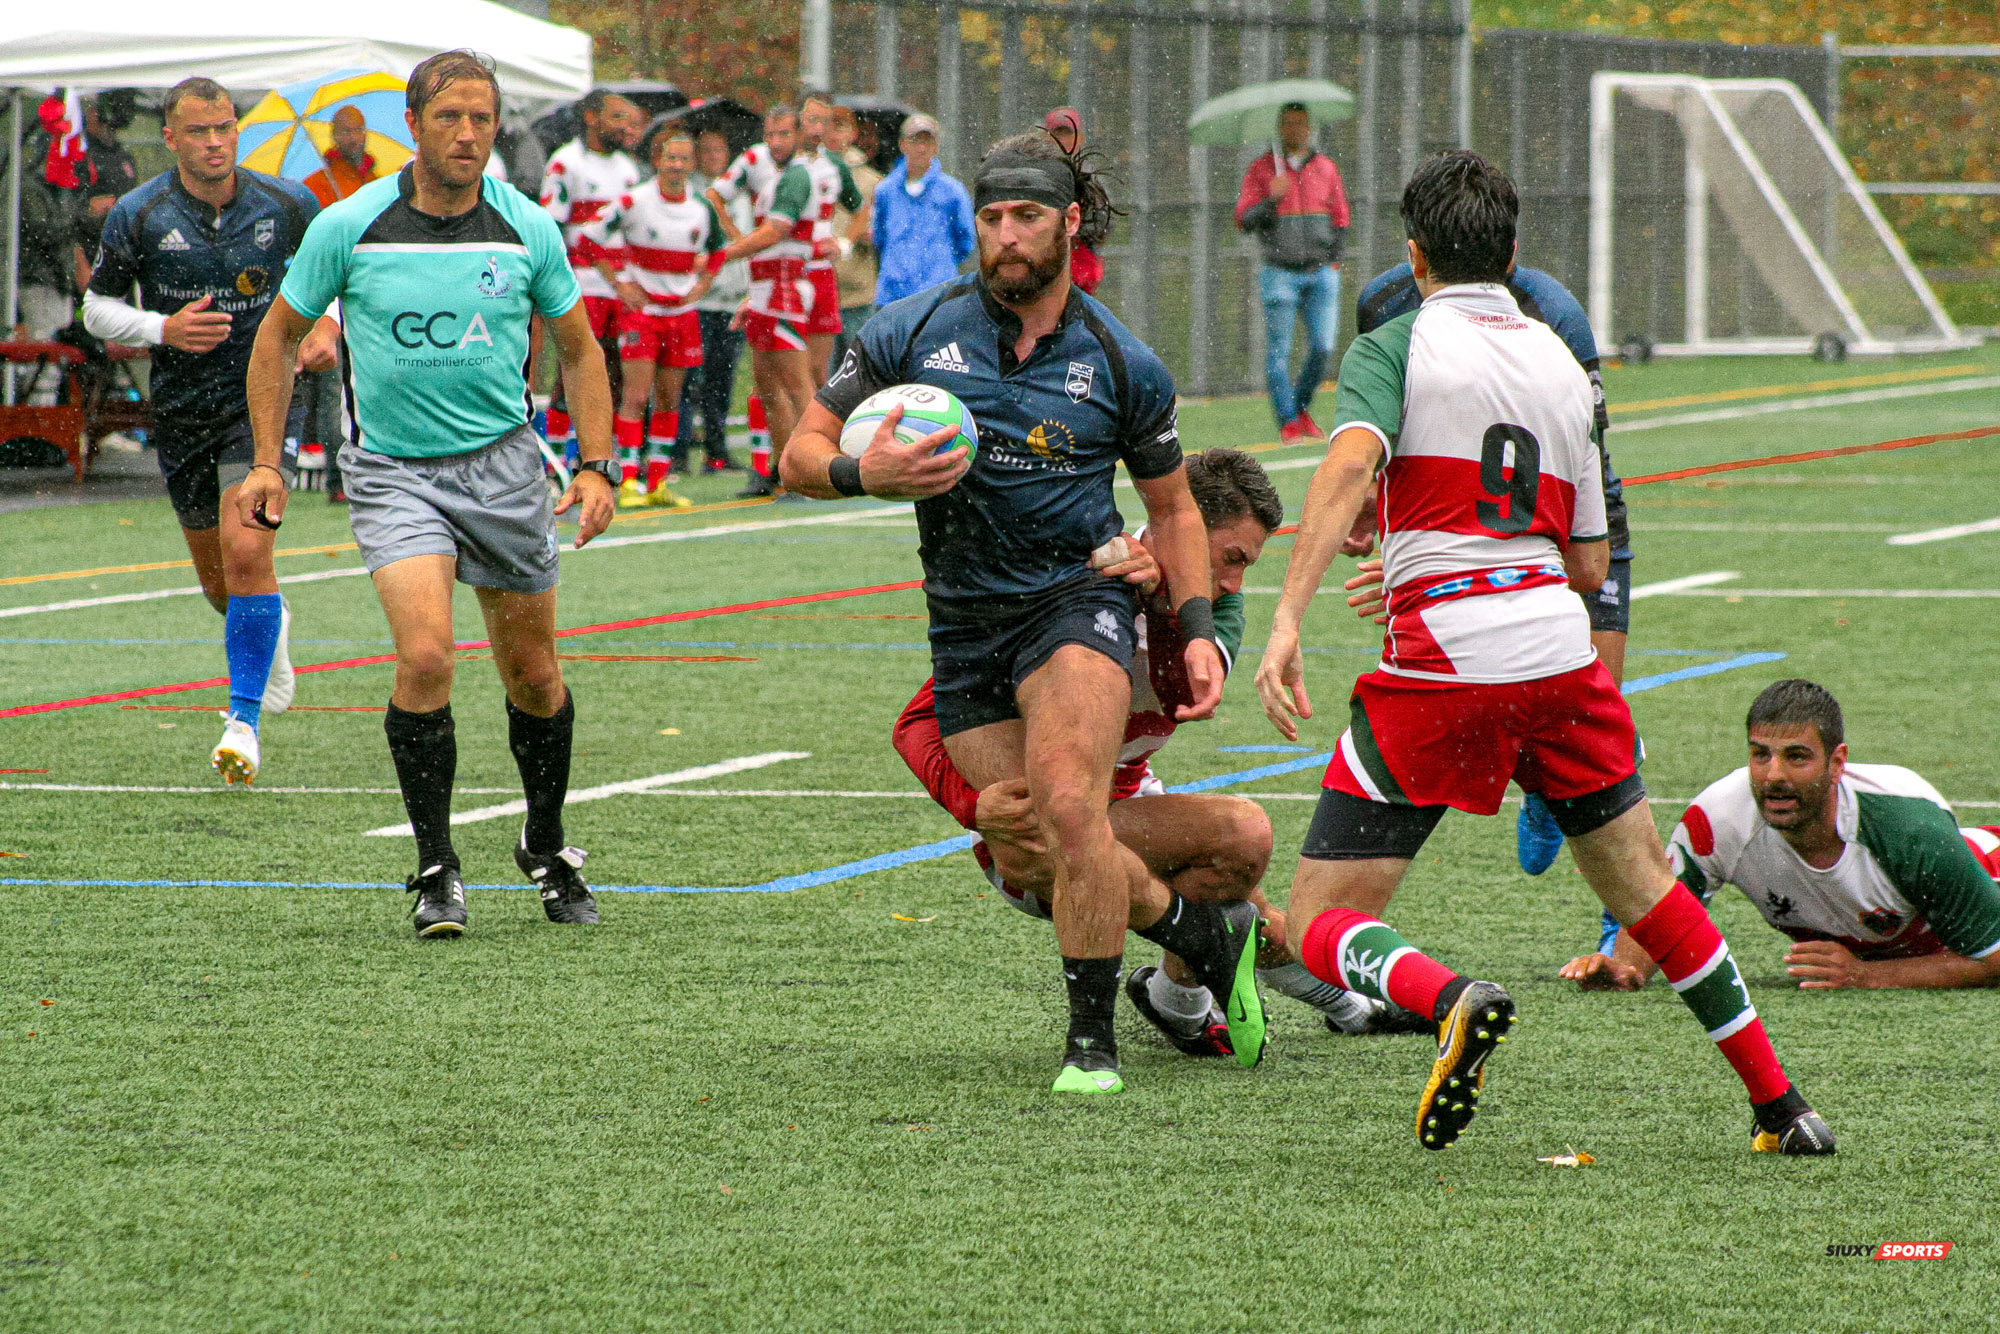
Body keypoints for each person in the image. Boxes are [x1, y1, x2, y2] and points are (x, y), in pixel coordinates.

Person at [1252, 149, 1833, 1155]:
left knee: (1315, 919)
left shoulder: (1394, 345)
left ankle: (1450, 999)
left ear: (1413, 253)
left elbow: (1349, 461)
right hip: (1560, 657)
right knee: (1643, 887)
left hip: (1441, 660)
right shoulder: (1564, 367)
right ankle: (1781, 1105)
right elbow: (1588, 556)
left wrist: (1287, 616)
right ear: (1513, 253)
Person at [784, 130, 1263, 1096]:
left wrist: (1202, 630)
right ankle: (1190, 930)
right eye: (993, 218)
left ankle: (1091, 1046)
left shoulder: (1122, 362)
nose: (1007, 237)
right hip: (963, 627)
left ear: (1069, 223)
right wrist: (861, 473)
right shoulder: (909, 332)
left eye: (1027, 217)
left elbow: (1172, 509)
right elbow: (799, 454)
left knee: (1069, 802)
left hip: (1073, 603)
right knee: (1025, 844)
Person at [241, 49, 618, 939]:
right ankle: (437, 867)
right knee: (426, 658)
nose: (467, 134)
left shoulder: (525, 225)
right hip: (394, 475)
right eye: (449, 117)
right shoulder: (349, 224)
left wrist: (597, 465)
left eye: (482, 118)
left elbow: (581, 351)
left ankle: (546, 841)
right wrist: (267, 459)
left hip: (506, 470)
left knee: (534, 675)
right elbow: (276, 339)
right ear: (411, 125)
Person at [893, 449, 1431, 1053]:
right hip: (1033, 843)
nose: (1233, 582)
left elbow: (1188, 692)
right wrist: (976, 805)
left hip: (1129, 808)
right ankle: (1225, 960)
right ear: (1186, 525)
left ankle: (1193, 1000)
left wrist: (1167, 607)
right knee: (1228, 868)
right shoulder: (1083, 575)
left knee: (1244, 873)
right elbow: (918, 719)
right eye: (1231, 558)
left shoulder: (1218, 609)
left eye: (1246, 565)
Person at [81, 76, 334, 786]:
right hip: (183, 409)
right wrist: (163, 327)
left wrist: (328, 324)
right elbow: (97, 310)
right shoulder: (138, 214)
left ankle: (242, 722)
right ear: (170, 138)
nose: (216, 142)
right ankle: (269, 624)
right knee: (225, 586)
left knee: (248, 548)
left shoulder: (288, 203)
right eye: (199, 131)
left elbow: (339, 271)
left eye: (225, 128)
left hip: (263, 406)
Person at [1354, 258, 1636, 876]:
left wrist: (1487, 557)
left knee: (1607, 738)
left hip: (1566, 519)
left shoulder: (1554, 312)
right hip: (1457, 530)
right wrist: (1396, 536)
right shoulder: (1384, 306)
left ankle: (1617, 927)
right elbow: (1383, 440)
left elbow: (1590, 451)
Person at [1563, 680, 2000, 993]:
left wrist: (1867, 976)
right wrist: (1626, 969)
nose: (1774, 776)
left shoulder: (1910, 828)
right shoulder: (1720, 818)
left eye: (1796, 758)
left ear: (1836, 762)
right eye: (1760, 755)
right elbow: (1661, 906)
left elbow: (1994, 961)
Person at [586, 126, 720, 506]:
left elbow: (720, 251)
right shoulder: (634, 201)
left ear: (691, 164)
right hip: (642, 315)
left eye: (683, 159)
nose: (676, 166)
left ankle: (657, 482)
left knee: (668, 399)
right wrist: (619, 285)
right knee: (635, 396)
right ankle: (628, 478)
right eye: (670, 158)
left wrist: (703, 285)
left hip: (681, 316)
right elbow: (589, 238)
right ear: (657, 161)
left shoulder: (702, 207)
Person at [706, 104, 819, 499]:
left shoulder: (798, 177)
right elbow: (718, 199)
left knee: (797, 385)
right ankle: (787, 468)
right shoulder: (774, 176)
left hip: (785, 287)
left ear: (799, 135)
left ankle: (813, 470)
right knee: (767, 387)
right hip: (764, 288)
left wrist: (727, 252)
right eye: (770, 134)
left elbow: (774, 233)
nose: (776, 142)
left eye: (784, 134)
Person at [537, 88, 643, 462]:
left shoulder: (628, 169)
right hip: (583, 282)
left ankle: (598, 453)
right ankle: (555, 457)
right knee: (574, 367)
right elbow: (551, 226)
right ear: (592, 118)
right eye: (617, 117)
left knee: (615, 369)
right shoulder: (566, 163)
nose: (625, 127)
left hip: (623, 287)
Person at [1234, 101, 1349, 442]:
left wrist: (1334, 259)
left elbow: (1341, 218)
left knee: (1323, 347)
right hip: (1279, 272)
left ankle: (1300, 407)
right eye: (1289, 124)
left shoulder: (1326, 168)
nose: (1295, 130)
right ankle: (1287, 420)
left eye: (1301, 124)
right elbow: (1244, 220)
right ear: (1280, 128)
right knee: (1279, 351)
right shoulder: (1261, 170)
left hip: (1321, 273)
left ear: (1309, 128)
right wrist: (1271, 200)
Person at [681, 128, 749, 473]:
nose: (712, 157)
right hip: (700, 302)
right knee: (690, 379)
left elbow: (745, 242)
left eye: (718, 151)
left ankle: (717, 451)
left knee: (722, 381)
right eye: (705, 151)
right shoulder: (691, 196)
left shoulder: (743, 196)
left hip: (732, 301)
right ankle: (678, 454)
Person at [798, 93, 867, 391]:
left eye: (824, 122)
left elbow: (862, 210)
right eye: (812, 119)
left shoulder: (834, 167)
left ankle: (813, 435)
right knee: (779, 369)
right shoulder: (770, 160)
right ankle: (769, 438)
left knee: (817, 370)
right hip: (781, 275)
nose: (818, 128)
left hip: (822, 274)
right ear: (798, 121)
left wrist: (844, 243)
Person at [869, 114, 975, 308]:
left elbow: (965, 240)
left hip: (938, 293)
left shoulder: (952, 191)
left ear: (936, 146)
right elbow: (879, 237)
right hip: (894, 295)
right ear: (902, 144)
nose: (921, 148)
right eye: (915, 140)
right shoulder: (885, 190)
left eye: (928, 141)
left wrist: (939, 265)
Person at [824, 106, 882, 379]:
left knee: (856, 374)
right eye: (829, 126)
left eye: (841, 126)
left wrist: (866, 236)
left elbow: (883, 235)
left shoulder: (871, 181)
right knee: (821, 376)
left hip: (857, 293)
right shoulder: (808, 173)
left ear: (853, 133)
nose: (834, 134)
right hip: (818, 293)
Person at [1042, 108, 1105, 294]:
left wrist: (1070, 232)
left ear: (1080, 138)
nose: (1063, 140)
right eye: (1057, 134)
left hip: (1079, 262)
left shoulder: (1089, 177)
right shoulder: (1038, 175)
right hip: (1045, 260)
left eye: (1068, 134)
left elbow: (1102, 221)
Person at [303, 105, 389, 206]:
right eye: (346, 132)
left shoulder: (374, 180)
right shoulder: (317, 184)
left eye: (359, 130)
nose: (354, 138)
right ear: (334, 135)